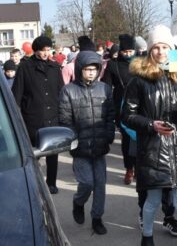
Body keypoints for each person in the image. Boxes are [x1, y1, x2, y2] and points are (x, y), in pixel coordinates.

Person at [122, 25, 177, 246]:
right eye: (157, 47)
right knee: (153, 200)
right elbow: (127, 116)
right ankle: (147, 236)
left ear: (171, 49)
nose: (161, 51)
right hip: (153, 150)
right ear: (150, 50)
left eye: (165, 47)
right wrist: (151, 125)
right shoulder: (139, 80)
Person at [59, 50, 115, 235]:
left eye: (94, 69)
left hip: (100, 147)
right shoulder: (68, 91)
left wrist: (109, 135)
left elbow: (110, 115)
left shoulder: (105, 89)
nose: (91, 72)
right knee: (87, 183)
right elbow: (65, 120)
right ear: (79, 68)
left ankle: (97, 218)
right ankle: (78, 202)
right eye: (87, 69)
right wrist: (73, 141)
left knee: (100, 185)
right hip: (80, 148)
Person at [12, 36, 64, 194]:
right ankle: (32, 181)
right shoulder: (25, 67)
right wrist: (17, 117)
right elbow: (17, 95)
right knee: (34, 153)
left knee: (53, 152)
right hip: (32, 118)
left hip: (53, 116)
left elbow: (61, 92)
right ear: (35, 50)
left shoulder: (55, 67)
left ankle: (52, 182)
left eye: (49, 50)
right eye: (43, 50)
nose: (46, 53)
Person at [102, 35, 136, 185]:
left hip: (141, 106)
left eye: (131, 51)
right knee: (127, 140)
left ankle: (140, 168)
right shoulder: (113, 65)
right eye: (125, 52)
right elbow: (106, 87)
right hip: (121, 107)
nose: (128, 54)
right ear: (120, 51)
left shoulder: (141, 63)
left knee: (141, 139)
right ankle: (129, 168)